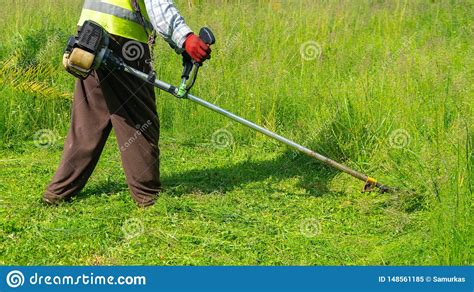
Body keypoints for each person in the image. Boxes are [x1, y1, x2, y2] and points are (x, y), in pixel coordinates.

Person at [42, 0, 211, 207]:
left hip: (88, 36)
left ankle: (58, 192)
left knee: (89, 120)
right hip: (122, 40)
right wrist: (186, 39)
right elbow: (158, 4)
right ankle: (147, 196)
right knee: (139, 120)